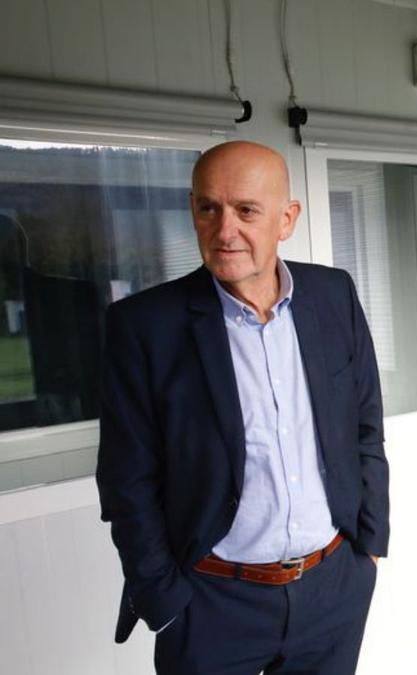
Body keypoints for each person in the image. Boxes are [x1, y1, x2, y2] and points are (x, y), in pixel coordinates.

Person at [96, 140, 389, 674]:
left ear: (287, 218)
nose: (224, 230)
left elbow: (365, 426)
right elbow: (125, 480)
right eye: (209, 207)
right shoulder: (145, 326)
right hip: (210, 603)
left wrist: (367, 550)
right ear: (193, 210)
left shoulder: (333, 295)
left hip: (333, 589)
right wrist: (165, 604)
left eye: (246, 210)